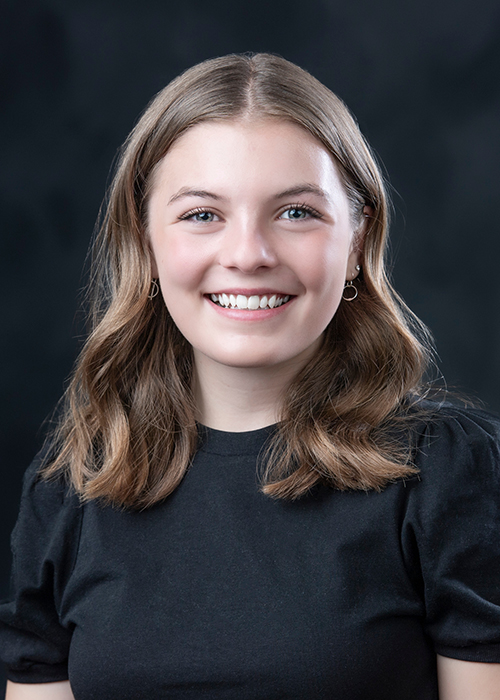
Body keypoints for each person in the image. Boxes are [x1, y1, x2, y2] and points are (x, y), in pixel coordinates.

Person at [1, 53, 499, 700]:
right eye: (202, 214)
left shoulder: (451, 473)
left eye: (295, 212)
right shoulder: (73, 479)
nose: (248, 255)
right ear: (144, 242)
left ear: (355, 243)